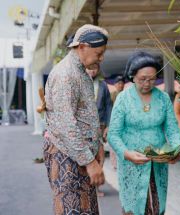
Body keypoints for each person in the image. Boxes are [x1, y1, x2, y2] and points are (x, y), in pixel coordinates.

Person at [107, 51, 180, 215]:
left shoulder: (162, 98)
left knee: (156, 206)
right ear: (133, 76)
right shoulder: (123, 99)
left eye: (152, 79)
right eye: (142, 79)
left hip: (158, 163)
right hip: (131, 164)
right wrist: (126, 153)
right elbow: (113, 134)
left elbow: (172, 128)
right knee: (133, 208)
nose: (147, 83)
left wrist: (177, 150)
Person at [44, 24, 108, 214]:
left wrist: (97, 145)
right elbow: (67, 126)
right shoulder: (66, 75)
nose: (101, 58)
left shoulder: (79, 71)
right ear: (82, 47)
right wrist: (89, 162)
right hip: (68, 157)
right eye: (99, 53)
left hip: (78, 155)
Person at [86, 63, 112, 197]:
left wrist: (108, 125)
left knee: (100, 157)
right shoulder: (80, 83)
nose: (92, 71)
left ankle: (96, 188)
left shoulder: (103, 86)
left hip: (100, 127)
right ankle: (87, 187)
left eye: (95, 68)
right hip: (84, 130)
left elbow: (108, 106)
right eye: (89, 68)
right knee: (88, 158)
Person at [109, 75, 125, 170]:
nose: (120, 85)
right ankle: (115, 164)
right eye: (118, 83)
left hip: (124, 123)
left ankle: (122, 162)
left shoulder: (127, 95)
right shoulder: (112, 95)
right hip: (113, 122)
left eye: (122, 83)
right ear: (115, 85)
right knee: (113, 143)